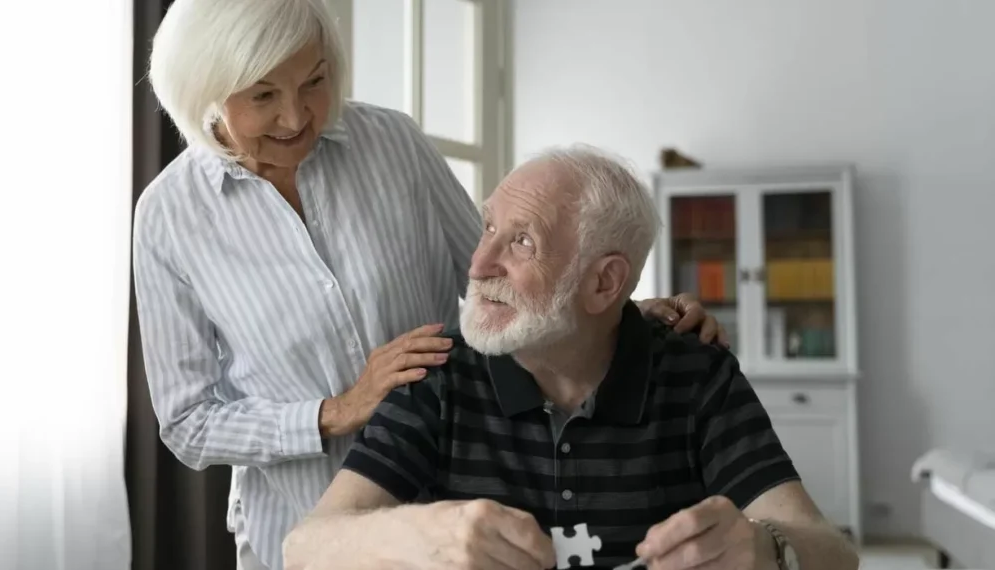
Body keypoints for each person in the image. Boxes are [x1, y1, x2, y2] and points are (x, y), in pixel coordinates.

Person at [133, 1, 727, 568]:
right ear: (202, 91)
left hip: (446, 522)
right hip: (292, 533)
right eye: (263, 95)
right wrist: (333, 412)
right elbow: (189, 422)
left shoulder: (393, 143)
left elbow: (498, 280)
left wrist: (610, 314)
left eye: (313, 81)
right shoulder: (168, 217)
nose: (296, 117)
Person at [282, 146, 859, 570]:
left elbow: (833, 551)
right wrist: (426, 534)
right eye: (488, 228)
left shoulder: (696, 372)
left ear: (606, 283)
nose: (479, 264)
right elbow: (304, 546)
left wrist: (764, 548)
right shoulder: (437, 373)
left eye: (522, 241)